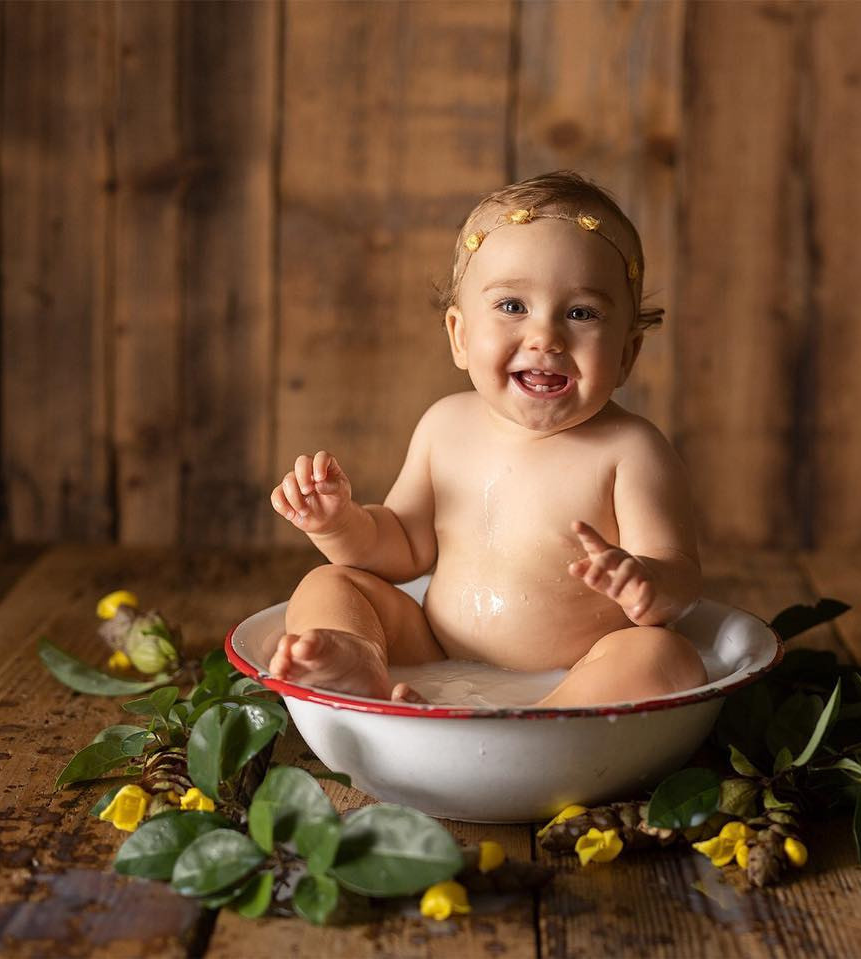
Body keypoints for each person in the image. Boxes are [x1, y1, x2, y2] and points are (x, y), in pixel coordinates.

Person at [266, 171, 706, 707]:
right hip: (434, 653)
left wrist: (648, 583)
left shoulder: (631, 452)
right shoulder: (444, 426)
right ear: (460, 335)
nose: (546, 336)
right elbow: (402, 547)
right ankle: (357, 659)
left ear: (625, 355)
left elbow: (679, 574)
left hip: (577, 671)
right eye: (513, 306)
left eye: (581, 313)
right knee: (330, 584)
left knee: (664, 656)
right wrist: (340, 524)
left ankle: (542, 725)